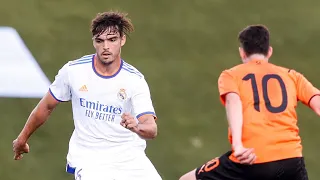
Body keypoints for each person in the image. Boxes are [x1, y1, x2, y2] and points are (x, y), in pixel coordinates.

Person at [12, 11, 162, 180]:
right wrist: (21, 139)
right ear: (94, 42)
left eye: (112, 40)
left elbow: (151, 129)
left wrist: (136, 126)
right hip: (90, 159)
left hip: (130, 159)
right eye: (100, 41)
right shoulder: (74, 71)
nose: (106, 47)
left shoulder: (135, 80)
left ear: (122, 40)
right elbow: (46, 106)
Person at [179, 24, 320, 180]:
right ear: (270, 51)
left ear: (242, 53)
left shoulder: (231, 75)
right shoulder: (293, 76)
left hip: (252, 158)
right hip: (292, 160)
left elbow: (233, 102)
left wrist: (238, 145)